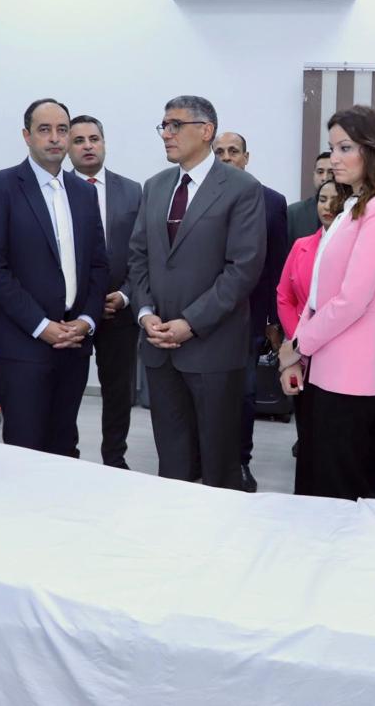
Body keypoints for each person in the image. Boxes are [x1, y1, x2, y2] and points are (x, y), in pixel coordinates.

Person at [127, 96, 265, 489]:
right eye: (164, 126)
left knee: (218, 464)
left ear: (206, 131)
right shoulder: (156, 187)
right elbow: (138, 256)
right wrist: (145, 313)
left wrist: (190, 322)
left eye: (175, 125)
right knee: (172, 461)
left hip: (213, 348)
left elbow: (242, 269)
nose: (166, 134)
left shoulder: (241, 188)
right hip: (159, 347)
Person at [278, 105, 375, 500]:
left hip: (353, 372)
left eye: (345, 148)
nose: (334, 158)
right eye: (332, 147)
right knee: (317, 481)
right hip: (327, 361)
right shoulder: (353, 204)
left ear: (373, 149)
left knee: (339, 490)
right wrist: (297, 349)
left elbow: (352, 300)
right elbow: (318, 291)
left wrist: (298, 345)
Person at [0, 99, 109, 457]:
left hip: (74, 342)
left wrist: (87, 320)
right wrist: (40, 325)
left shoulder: (84, 192)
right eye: (44, 130)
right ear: (27, 135)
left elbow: (98, 265)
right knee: (25, 449)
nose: (55, 138)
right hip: (21, 344)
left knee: (65, 446)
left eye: (62, 130)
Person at [212, 131, 289, 493]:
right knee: (206, 392)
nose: (227, 157)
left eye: (233, 151)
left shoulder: (271, 201)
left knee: (244, 393)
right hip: (204, 316)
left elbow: (277, 266)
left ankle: (240, 462)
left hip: (249, 316)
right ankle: (206, 459)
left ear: (246, 157)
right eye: (219, 152)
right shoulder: (200, 197)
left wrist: (273, 320)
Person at [66, 114, 142, 468]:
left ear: (104, 143)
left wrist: (126, 294)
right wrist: (88, 302)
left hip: (119, 310)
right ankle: (68, 456)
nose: (87, 146)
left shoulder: (133, 191)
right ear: (68, 147)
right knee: (67, 391)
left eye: (93, 139)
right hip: (72, 312)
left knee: (118, 392)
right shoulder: (57, 189)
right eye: (79, 140)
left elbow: (144, 252)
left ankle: (115, 459)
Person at [275, 178, 340, 490]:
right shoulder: (302, 245)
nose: (327, 206)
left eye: (335, 199)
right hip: (302, 350)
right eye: (322, 199)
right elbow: (284, 296)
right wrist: (296, 344)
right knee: (308, 432)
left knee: (334, 436)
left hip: (337, 351)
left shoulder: (352, 248)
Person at [286, 151, 333, 242]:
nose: (325, 177)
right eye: (320, 172)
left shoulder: (349, 211)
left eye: (331, 172)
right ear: (314, 175)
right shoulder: (294, 213)